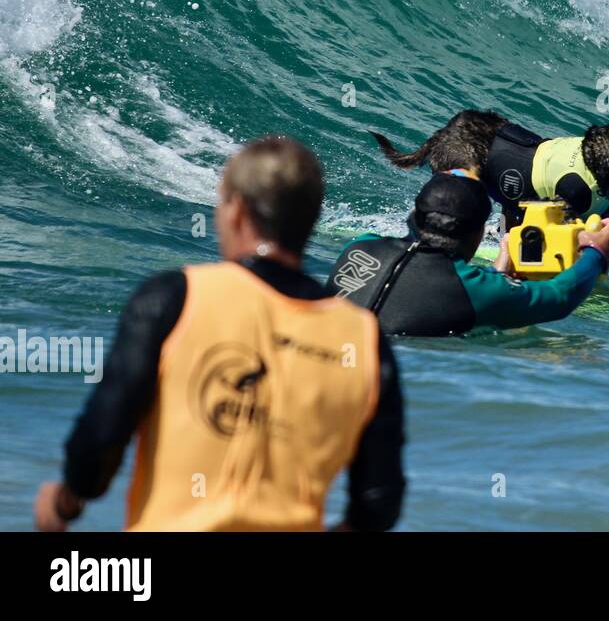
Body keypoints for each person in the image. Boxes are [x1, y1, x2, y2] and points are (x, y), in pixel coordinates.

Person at [34, 136, 405, 532]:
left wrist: (64, 502)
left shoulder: (176, 297)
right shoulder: (361, 338)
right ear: (311, 219)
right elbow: (378, 504)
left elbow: (101, 437)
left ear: (238, 212)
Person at [327, 172, 609, 335]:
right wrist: (596, 252)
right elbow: (560, 297)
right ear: (478, 235)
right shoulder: (472, 289)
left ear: (414, 216)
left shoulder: (359, 245)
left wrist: (496, 274)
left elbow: (418, 285)